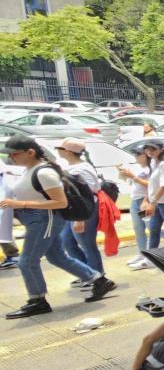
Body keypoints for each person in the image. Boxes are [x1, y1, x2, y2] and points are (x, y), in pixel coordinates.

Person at [0, 136, 116, 318]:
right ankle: (98, 280)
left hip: (45, 219)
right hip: (38, 219)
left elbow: (60, 202)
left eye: (15, 154)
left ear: (30, 153)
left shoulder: (44, 173)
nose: (11, 157)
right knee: (56, 257)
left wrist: (21, 204)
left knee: (27, 261)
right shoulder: (29, 169)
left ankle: (37, 300)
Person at [54, 138, 105, 276]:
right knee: (67, 242)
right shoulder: (71, 167)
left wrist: (80, 218)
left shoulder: (81, 169)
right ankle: (86, 273)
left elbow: (88, 192)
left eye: (60, 148)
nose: (57, 150)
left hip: (83, 212)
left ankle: (98, 276)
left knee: (87, 245)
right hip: (73, 211)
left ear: (68, 152)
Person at [119, 145, 164, 271]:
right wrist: (123, 174)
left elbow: (153, 185)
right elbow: (127, 181)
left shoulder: (152, 168)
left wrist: (134, 177)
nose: (136, 157)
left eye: (138, 154)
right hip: (135, 201)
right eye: (135, 155)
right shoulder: (136, 167)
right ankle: (142, 254)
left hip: (145, 201)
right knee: (138, 229)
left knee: (153, 228)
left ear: (145, 155)